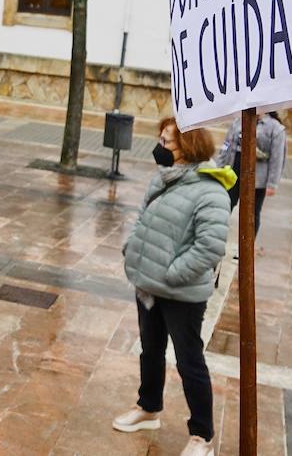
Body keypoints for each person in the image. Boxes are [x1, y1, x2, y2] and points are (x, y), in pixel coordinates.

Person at [114, 116, 235, 456]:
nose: (160, 147)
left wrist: (171, 273)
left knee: (188, 361)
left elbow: (209, 247)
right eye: (161, 139)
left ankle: (202, 436)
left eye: (167, 142)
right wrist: (132, 249)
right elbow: (143, 217)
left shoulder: (210, 190)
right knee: (150, 349)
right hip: (148, 283)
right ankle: (148, 408)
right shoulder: (165, 179)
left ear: (188, 147)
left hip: (180, 291)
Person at [215, 111, 288, 233]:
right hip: (233, 171)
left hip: (256, 178)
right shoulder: (238, 121)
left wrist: (272, 184)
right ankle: (217, 236)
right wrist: (219, 165)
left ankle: (247, 248)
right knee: (225, 205)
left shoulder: (275, 128)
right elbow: (226, 144)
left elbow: (278, 157)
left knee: (251, 214)